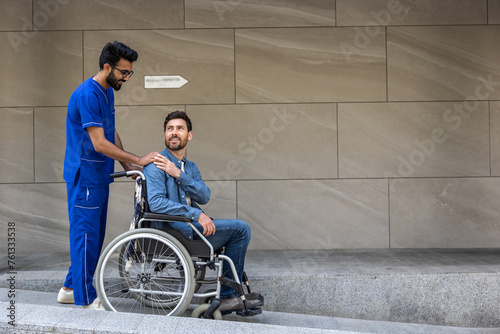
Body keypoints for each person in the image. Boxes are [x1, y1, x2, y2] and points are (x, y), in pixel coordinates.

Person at [58, 41, 158, 310]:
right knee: (85, 238)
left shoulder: (107, 92)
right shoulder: (88, 95)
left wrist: (128, 167)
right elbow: (99, 144)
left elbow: (110, 132)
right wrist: (138, 159)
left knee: (93, 237)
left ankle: (69, 287)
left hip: (100, 176)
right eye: (124, 72)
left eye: (129, 73)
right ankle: (84, 299)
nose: (126, 78)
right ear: (106, 67)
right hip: (85, 178)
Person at [143, 110, 262, 312]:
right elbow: (156, 204)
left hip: (192, 229)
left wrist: (179, 174)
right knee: (241, 229)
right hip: (175, 232)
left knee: (236, 231)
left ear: (189, 135)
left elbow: (204, 196)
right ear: (164, 134)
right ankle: (227, 296)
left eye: (180, 128)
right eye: (169, 129)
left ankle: (230, 294)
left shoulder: (190, 167)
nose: (174, 132)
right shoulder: (157, 164)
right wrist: (196, 214)